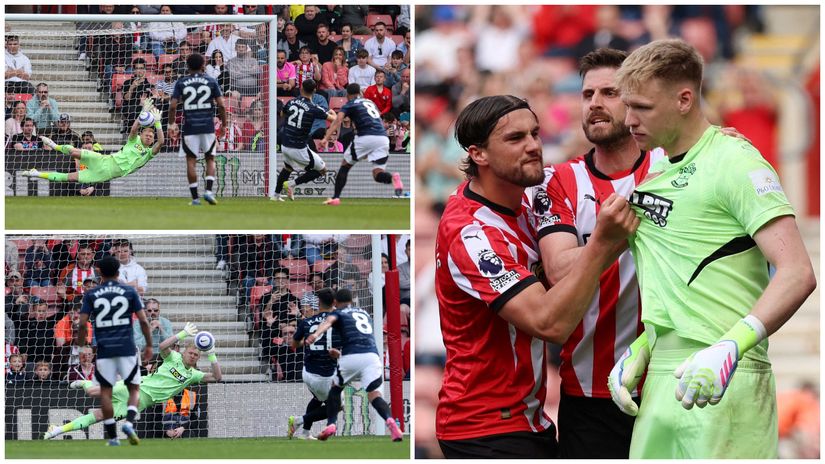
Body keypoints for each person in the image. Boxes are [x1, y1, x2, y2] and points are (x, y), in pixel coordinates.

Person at [607, 38, 817, 459]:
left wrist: (731, 347)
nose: (628, 120)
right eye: (627, 106)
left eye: (642, 107)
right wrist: (647, 346)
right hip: (662, 380)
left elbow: (797, 272)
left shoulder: (736, 162)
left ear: (685, 99)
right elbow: (679, 273)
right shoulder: (657, 168)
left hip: (726, 375)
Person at [434, 95, 637, 458]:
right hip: (484, 429)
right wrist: (605, 244)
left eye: (535, 134)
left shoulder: (528, 202)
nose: (532, 147)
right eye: (515, 139)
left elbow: (597, 169)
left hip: (529, 421)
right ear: (478, 154)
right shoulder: (471, 232)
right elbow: (549, 323)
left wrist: (705, 148)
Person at [528, 47, 666, 458]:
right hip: (589, 391)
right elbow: (557, 269)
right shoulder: (559, 180)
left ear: (635, 100)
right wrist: (615, 234)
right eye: (588, 95)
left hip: (670, 381)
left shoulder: (672, 166)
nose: (595, 104)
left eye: (610, 92)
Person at [45, 322, 222, 441]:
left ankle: (57, 430)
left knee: (99, 416)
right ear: (184, 352)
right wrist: (182, 334)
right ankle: (85, 383)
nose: (192, 356)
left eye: (196, 355)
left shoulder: (194, 375)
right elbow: (161, 347)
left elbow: (217, 377)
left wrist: (212, 353)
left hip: (141, 403)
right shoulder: (173, 357)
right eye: (191, 352)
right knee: (92, 392)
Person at [305, 288, 404, 442]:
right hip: (372, 357)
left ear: (335, 303)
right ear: (351, 301)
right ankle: (390, 421)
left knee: (335, 389)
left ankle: (331, 424)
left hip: (351, 356)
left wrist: (315, 335)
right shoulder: (364, 313)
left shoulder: (338, 312)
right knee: (375, 395)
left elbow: (327, 323)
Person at [75, 255, 152, 446]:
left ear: (99, 272)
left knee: (106, 393)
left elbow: (83, 323)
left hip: (104, 350)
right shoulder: (129, 291)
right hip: (126, 348)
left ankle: (113, 438)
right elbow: (143, 320)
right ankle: (129, 423)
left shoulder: (91, 294)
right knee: (134, 389)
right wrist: (149, 345)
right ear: (119, 272)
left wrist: (81, 341)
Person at [24, 101, 164, 187]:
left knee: (68, 177)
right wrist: (142, 112)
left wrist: (158, 123)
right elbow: (134, 129)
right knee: (74, 152)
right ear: (142, 135)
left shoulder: (149, 153)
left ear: (152, 140)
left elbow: (161, 142)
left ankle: (36, 174)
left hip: (103, 174)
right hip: (104, 160)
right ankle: (54, 146)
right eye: (146, 134)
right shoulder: (135, 140)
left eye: (151, 136)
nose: (149, 137)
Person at [322, 84, 404, 204]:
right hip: (382, 138)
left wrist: (325, 138)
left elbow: (338, 120)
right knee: (377, 174)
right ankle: (393, 178)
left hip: (366, 136)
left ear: (347, 95)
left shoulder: (350, 104)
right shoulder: (371, 103)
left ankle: (335, 198)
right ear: (360, 92)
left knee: (345, 166)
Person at [168, 52, 227, 206]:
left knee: (191, 161)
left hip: (190, 127)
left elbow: (173, 106)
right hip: (207, 126)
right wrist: (224, 125)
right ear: (203, 66)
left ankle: (195, 199)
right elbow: (221, 105)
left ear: (187, 66)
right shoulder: (211, 81)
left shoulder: (182, 82)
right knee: (210, 159)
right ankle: (208, 191)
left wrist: (171, 124)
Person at [288, 288, 340, 440]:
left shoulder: (306, 322)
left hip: (308, 372)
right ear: (334, 303)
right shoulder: (339, 321)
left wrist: (308, 341)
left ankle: (305, 433)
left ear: (318, 303)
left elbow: (294, 345)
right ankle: (298, 421)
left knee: (318, 399)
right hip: (325, 375)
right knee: (337, 406)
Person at [273, 79, 336, 202]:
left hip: (285, 144)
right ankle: (292, 184)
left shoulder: (291, 102)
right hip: (298, 147)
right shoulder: (314, 108)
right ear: (314, 91)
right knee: (322, 170)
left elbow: (282, 114)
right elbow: (333, 119)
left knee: (287, 168)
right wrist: (333, 112)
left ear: (301, 88)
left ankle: (275, 196)